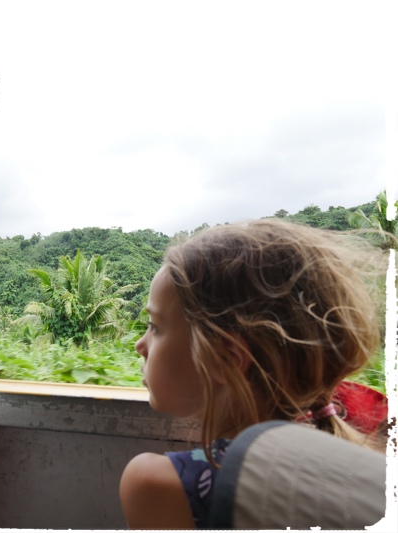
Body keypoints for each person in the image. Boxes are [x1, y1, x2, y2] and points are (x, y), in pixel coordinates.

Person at [119, 219, 385, 530]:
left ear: (225, 359)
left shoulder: (157, 484)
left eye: (154, 327)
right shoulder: (358, 442)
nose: (140, 345)